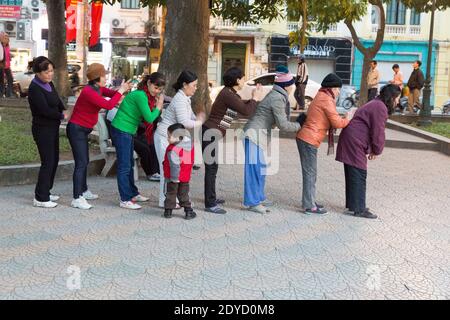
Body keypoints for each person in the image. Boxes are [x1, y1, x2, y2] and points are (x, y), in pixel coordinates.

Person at [67, 63, 131, 210]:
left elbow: (113, 95)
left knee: (84, 160)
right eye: (104, 75)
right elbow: (108, 105)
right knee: (81, 163)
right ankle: (77, 198)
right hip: (76, 129)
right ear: (97, 78)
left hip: (83, 130)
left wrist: (121, 89)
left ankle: (83, 190)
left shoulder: (98, 88)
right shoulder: (89, 92)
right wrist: (121, 90)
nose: (106, 77)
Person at [202, 67, 263, 214]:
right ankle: (210, 204)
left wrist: (254, 99)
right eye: (242, 78)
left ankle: (212, 198)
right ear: (237, 80)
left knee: (213, 168)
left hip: (212, 133)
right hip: (210, 133)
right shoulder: (228, 94)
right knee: (211, 169)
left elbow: (241, 104)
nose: (244, 81)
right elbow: (247, 111)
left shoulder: (229, 93)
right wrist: (255, 98)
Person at [336, 84, 401, 219]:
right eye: (397, 98)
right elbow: (378, 132)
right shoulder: (380, 107)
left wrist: (373, 148)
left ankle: (353, 206)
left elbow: (373, 129)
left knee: (353, 172)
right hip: (355, 140)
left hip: (352, 138)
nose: (398, 102)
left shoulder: (376, 103)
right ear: (392, 98)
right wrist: (376, 150)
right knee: (359, 173)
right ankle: (359, 209)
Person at [242, 65, 300, 214]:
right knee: (254, 170)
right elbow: (283, 125)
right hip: (254, 135)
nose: (293, 86)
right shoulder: (277, 98)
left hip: (257, 135)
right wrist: (300, 125)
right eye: (291, 84)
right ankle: (253, 202)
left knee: (260, 169)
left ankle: (259, 197)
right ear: (286, 86)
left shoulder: (277, 94)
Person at [296, 73, 350, 215]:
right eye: (338, 89)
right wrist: (349, 118)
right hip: (308, 139)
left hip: (307, 138)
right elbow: (337, 123)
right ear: (331, 88)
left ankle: (310, 200)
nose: (338, 92)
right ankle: (308, 205)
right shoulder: (326, 99)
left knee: (311, 173)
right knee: (310, 173)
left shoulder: (321, 95)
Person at [110, 72, 163, 210]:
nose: (157, 91)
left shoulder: (144, 95)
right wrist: (159, 107)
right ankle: (125, 199)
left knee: (128, 164)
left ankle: (132, 193)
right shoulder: (141, 96)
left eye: (159, 89)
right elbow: (149, 118)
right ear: (149, 83)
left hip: (127, 130)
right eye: (156, 87)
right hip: (122, 129)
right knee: (124, 166)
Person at [154, 70, 206, 208]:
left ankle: (175, 198)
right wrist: (199, 122)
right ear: (185, 84)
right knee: (167, 170)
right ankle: (164, 200)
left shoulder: (184, 99)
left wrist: (199, 119)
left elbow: (192, 118)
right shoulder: (179, 100)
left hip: (173, 139)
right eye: (194, 85)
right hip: (164, 137)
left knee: (176, 170)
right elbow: (185, 121)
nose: (196, 88)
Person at [28, 56, 65, 208]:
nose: (50, 74)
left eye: (51, 71)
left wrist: (64, 109)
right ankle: (40, 198)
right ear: (37, 72)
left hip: (53, 127)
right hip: (42, 129)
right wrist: (62, 116)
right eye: (46, 72)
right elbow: (44, 110)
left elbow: (56, 100)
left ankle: (46, 191)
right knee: (48, 161)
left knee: (54, 159)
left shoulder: (49, 84)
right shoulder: (34, 88)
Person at [162, 123, 196, 220]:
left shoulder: (172, 149)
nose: (167, 138)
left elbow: (174, 166)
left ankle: (168, 211)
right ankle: (188, 211)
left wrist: (174, 178)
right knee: (183, 194)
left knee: (171, 193)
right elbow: (190, 162)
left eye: (169, 136)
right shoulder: (189, 146)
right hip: (184, 177)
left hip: (173, 177)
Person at [0, 33, 14, 98]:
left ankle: (9, 93)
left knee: (10, 79)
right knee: (2, 81)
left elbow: (7, 56)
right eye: (5, 38)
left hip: (7, 66)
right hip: (2, 65)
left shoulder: (7, 46)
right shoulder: (1, 46)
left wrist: (10, 56)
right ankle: (1, 94)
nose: (7, 39)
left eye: (7, 38)